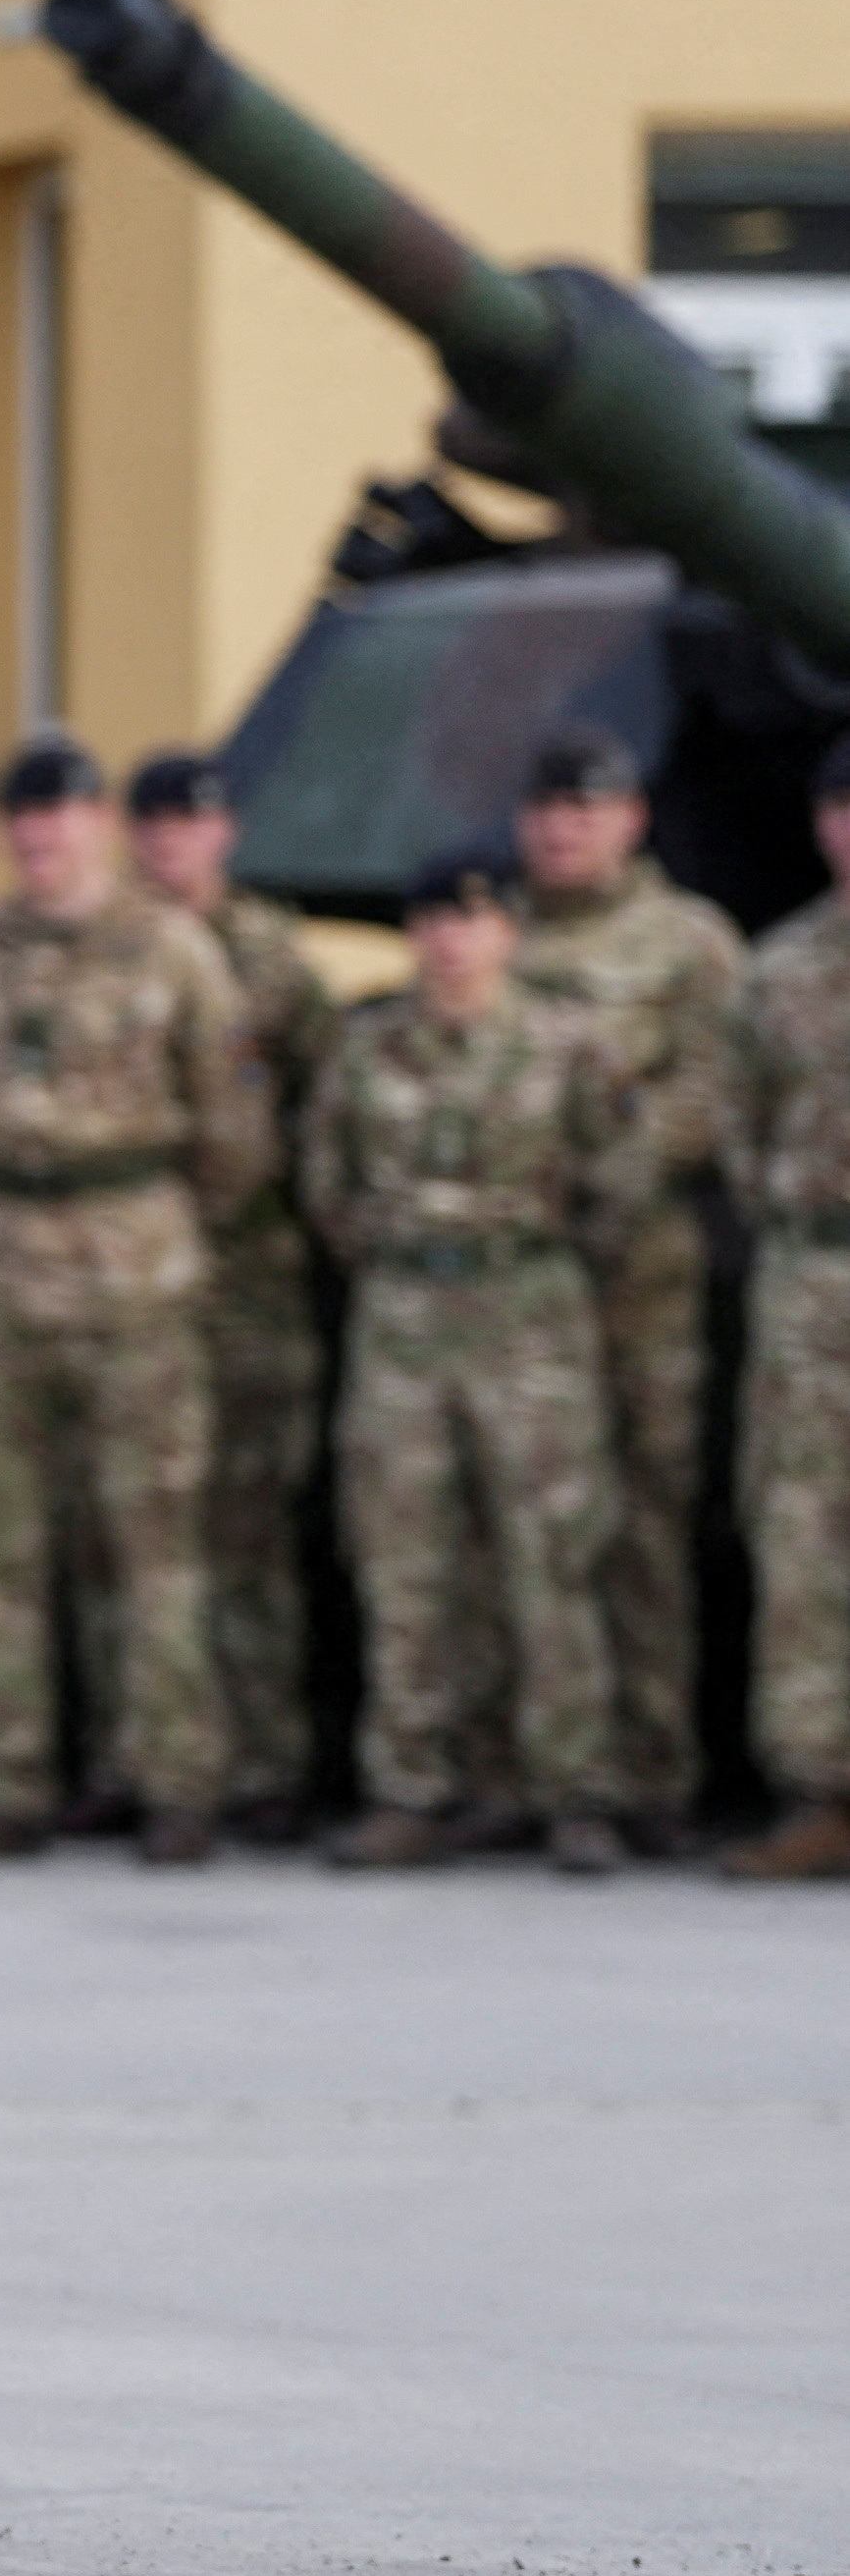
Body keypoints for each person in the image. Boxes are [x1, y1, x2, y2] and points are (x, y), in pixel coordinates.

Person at [0, 736, 272, 1865]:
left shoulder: (169, 950)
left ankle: (176, 1782)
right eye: (22, 817)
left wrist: (146, 1219)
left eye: (61, 814)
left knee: (155, 1540)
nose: (39, 835)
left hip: (130, 1272)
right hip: (0, 1271)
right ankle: (12, 1780)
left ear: (100, 824)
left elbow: (233, 1129)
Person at [301, 850, 656, 1874]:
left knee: (550, 1560)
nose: (450, 939)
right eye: (432, 920)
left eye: (472, 918)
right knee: (405, 1560)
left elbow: (620, 1177)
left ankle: (573, 1790)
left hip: (527, 1315)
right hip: (404, 1320)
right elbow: (328, 1184)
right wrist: (398, 1255)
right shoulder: (367, 1050)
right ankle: (414, 1786)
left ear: (507, 931)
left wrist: (538, 1255)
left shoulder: (567, 1045)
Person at [506, 722, 742, 1855]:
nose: (564, 828)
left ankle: (654, 1768)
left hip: (642, 1272)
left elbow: (712, 1080)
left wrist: (618, 1165)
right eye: (549, 810)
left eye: (587, 809)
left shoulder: (687, 944)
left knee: (645, 1522)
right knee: (529, 1525)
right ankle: (540, 1769)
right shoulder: (486, 935)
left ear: (630, 820)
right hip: (517, 1286)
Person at [126, 747, 345, 1842]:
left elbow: (322, 1114)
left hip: (250, 1282)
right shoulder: (100, 956)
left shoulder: (274, 967)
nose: (171, 841)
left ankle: (263, 1761)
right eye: (153, 823)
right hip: (125, 1281)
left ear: (225, 836)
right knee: (137, 1533)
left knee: (248, 1528)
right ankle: (145, 1758)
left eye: (191, 823)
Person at [718, 740, 850, 1884]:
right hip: (808, 1277)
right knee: (801, 1532)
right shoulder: (780, 969)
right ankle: (819, 1790)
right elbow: (738, 1131)